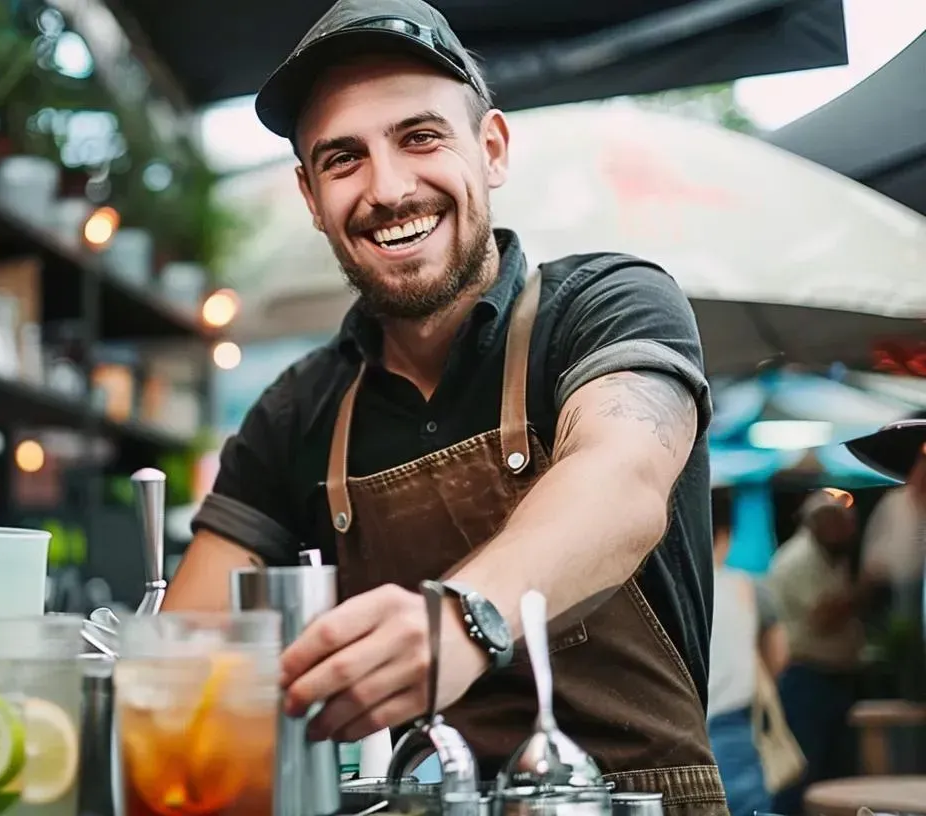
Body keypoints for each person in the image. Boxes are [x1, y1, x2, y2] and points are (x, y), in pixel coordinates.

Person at [163, 0, 725, 810]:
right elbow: (187, 653)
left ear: (491, 149)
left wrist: (465, 619)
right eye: (343, 159)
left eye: (421, 138)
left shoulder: (608, 305)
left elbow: (622, 481)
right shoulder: (297, 410)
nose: (389, 189)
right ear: (311, 196)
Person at [765, 491, 864, 813]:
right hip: (808, 679)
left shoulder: (828, 557)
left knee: (831, 772)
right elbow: (822, 617)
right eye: (841, 523)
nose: (848, 530)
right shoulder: (800, 558)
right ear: (821, 523)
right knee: (804, 772)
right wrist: (865, 589)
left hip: (830, 678)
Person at [707, 489, 789, 816]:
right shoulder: (749, 588)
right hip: (735, 728)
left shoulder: (666, 591)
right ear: (725, 535)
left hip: (679, 728)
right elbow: (780, 654)